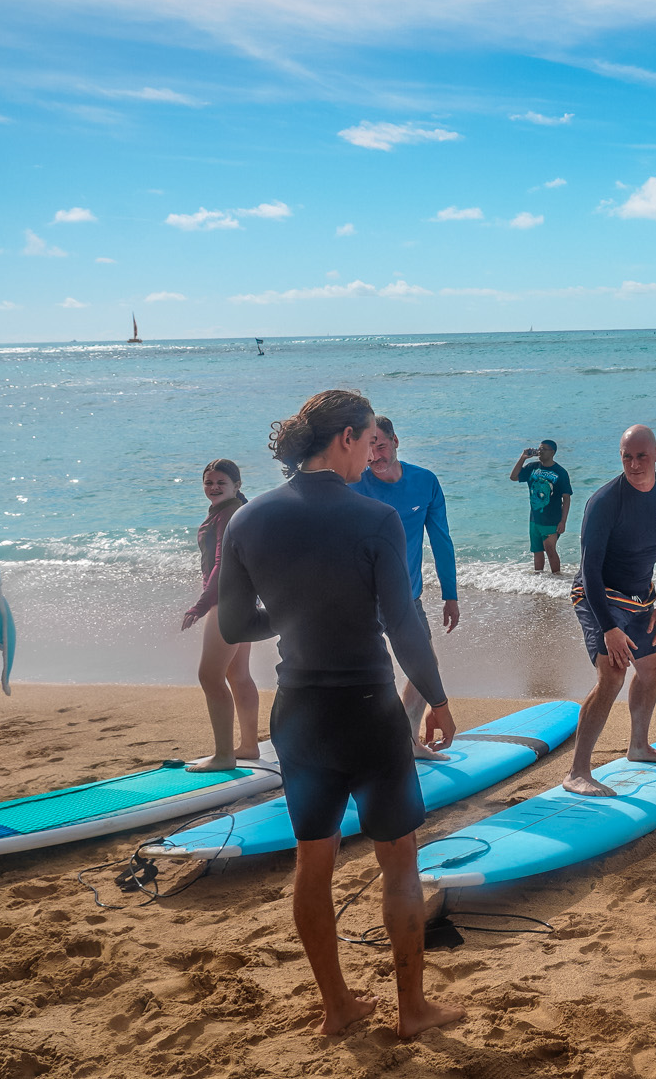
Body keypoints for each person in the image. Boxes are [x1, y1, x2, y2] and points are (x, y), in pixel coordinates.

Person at [219, 389, 462, 1039]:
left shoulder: (248, 519)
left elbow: (236, 623)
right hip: (368, 710)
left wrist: (294, 611)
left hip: (299, 713)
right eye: (367, 441)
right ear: (347, 437)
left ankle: (338, 1007)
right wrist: (437, 699)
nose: (369, 455)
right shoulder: (374, 518)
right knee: (399, 860)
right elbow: (402, 623)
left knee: (313, 859)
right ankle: (412, 1010)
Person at [563, 424, 656, 797]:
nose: (634, 464)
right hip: (598, 596)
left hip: (642, 598)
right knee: (613, 674)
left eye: (641, 456)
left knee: (651, 668)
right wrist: (608, 628)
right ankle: (577, 772)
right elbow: (589, 570)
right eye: (627, 457)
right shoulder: (604, 502)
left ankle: (639, 746)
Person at [355, 416, 460, 760]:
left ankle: (408, 741)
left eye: (381, 445)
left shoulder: (424, 481)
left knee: (425, 664)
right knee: (367, 672)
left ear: (396, 441)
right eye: (368, 447)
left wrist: (450, 595)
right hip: (360, 599)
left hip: (407, 597)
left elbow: (441, 540)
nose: (375, 456)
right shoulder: (353, 484)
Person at [179, 459, 258, 772]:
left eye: (220, 483)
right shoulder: (233, 510)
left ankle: (224, 755)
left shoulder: (227, 514)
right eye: (208, 482)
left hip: (227, 602)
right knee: (238, 674)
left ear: (236, 486)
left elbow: (220, 563)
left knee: (210, 677)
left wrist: (200, 606)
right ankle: (249, 745)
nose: (213, 488)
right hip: (242, 600)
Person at [509, 440, 574, 574]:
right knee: (537, 551)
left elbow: (566, 498)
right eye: (539, 448)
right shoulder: (532, 467)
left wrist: (563, 521)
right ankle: (539, 580)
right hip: (535, 518)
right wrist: (523, 458)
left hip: (552, 519)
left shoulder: (560, 472)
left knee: (549, 549)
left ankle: (557, 578)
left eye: (544, 449)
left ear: (552, 452)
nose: (540, 451)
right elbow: (513, 477)